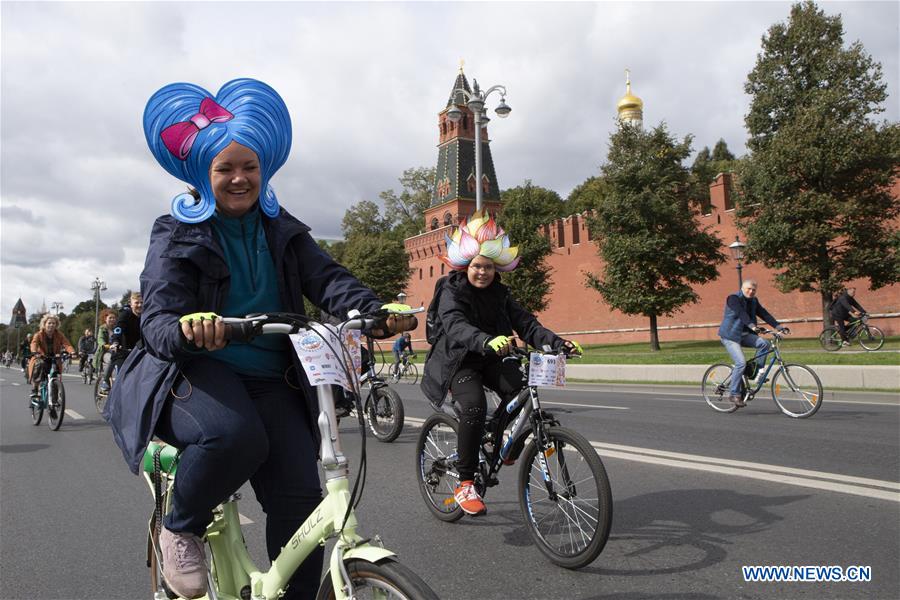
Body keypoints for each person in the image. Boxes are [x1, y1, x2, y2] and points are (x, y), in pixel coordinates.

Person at [104, 78, 415, 600]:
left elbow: (329, 278)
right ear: (205, 174)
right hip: (200, 372)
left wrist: (372, 311)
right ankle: (179, 525)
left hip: (274, 378)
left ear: (263, 170)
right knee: (235, 436)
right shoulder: (175, 232)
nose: (239, 178)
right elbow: (158, 315)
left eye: (249, 167)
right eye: (226, 168)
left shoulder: (282, 228)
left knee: (301, 502)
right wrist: (189, 330)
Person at [421, 210, 582, 516]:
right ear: (467, 265)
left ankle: (504, 443)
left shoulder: (501, 294)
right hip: (459, 362)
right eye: (477, 266)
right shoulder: (450, 290)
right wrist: (484, 339)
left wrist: (560, 343)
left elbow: (528, 324)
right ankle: (466, 482)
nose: (483, 272)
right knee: (474, 407)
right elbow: (455, 325)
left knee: (521, 391)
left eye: (489, 268)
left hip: (493, 357)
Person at [717, 279, 788, 407]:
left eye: (753, 290)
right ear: (742, 288)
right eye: (748, 289)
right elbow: (741, 313)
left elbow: (764, 314)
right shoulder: (733, 298)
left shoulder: (754, 301)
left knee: (764, 344)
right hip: (730, 336)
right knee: (741, 363)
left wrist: (778, 327)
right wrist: (752, 326)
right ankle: (734, 394)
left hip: (744, 335)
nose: (751, 291)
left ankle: (756, 373)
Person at [28, 314, 75, 402]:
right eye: (49, 323)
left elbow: (66, 344)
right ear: (44, 324)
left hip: (54, 358)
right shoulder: (39, 334)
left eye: (54, 323)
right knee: (40, 364)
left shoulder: (59, 335)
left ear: (56, 325)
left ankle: (54, 402)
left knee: (55, 378)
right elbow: (34, 343)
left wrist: (72, 352)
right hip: (42, 357)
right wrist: (34, 352)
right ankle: (35, 388)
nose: (51, 325)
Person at [94, 309, 121, 392]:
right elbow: (100, 339)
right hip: (105, 352)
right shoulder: (102, 328)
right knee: (111, 360)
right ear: (105, 319)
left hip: (118, 351)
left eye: (114, 318)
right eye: (110, 318)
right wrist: (106, 345)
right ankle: (105, 381)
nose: (112, 319)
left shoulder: (118, 328)